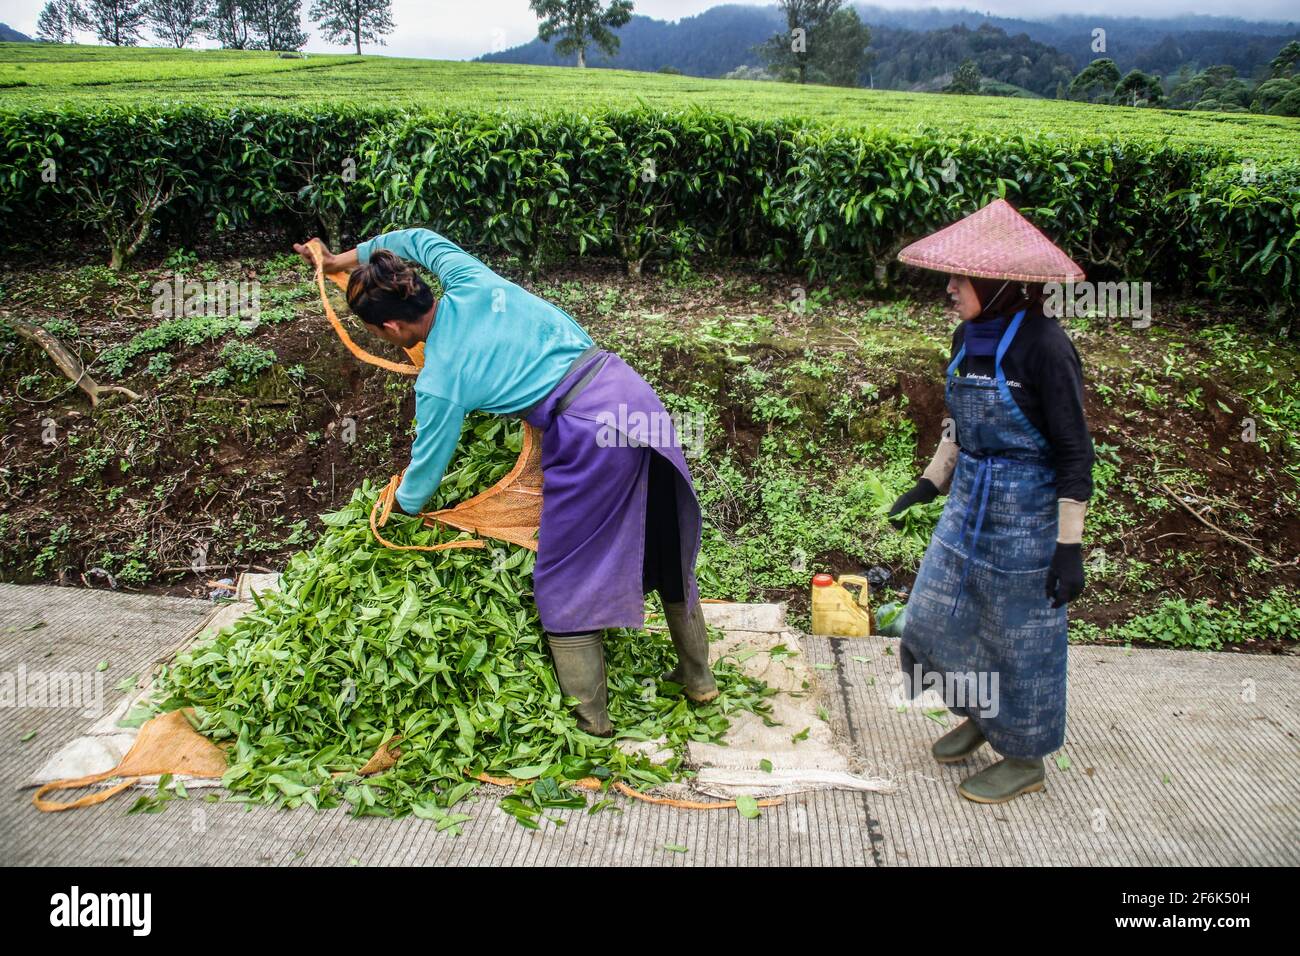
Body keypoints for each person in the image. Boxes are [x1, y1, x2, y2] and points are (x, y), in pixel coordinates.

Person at [294, 228, 717, 737]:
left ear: (391, 328)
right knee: (663, 541)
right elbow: (419, 237)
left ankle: (591, 722)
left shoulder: (441, 378)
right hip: (628, 392)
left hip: (587, 433)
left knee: (565, 573)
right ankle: (698, 679)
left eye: (378, 334)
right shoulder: (469, 279)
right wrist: (343, 257)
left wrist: (397, 511)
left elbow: (425, 472)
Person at [887, 198, 1094, 804]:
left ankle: (1025, 756)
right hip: (968, 502)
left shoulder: (1047, 348)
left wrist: (1068, 550)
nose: (950, 288)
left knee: (1020, 636)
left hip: (1028, 515)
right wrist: (930, 482)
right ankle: (983, 712)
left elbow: (1075, 455)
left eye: (960, 277)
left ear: (999, 284)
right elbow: (960, 421)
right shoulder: (966, 336)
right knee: (930, 617)